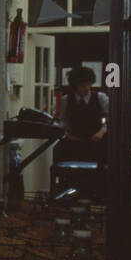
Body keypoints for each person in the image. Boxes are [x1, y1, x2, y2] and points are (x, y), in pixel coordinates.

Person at [52, 66, 108, 197]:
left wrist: (102, 132)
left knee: (95, 178)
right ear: (75, 86)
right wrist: (66, 133)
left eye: (89, 85)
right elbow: (63, 120)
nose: (87, 88)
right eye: (83, 86)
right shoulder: (66, 100)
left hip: (96, 144)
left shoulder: (100, 98)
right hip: (75, 145)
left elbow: (111, 118)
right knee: (75, 178)